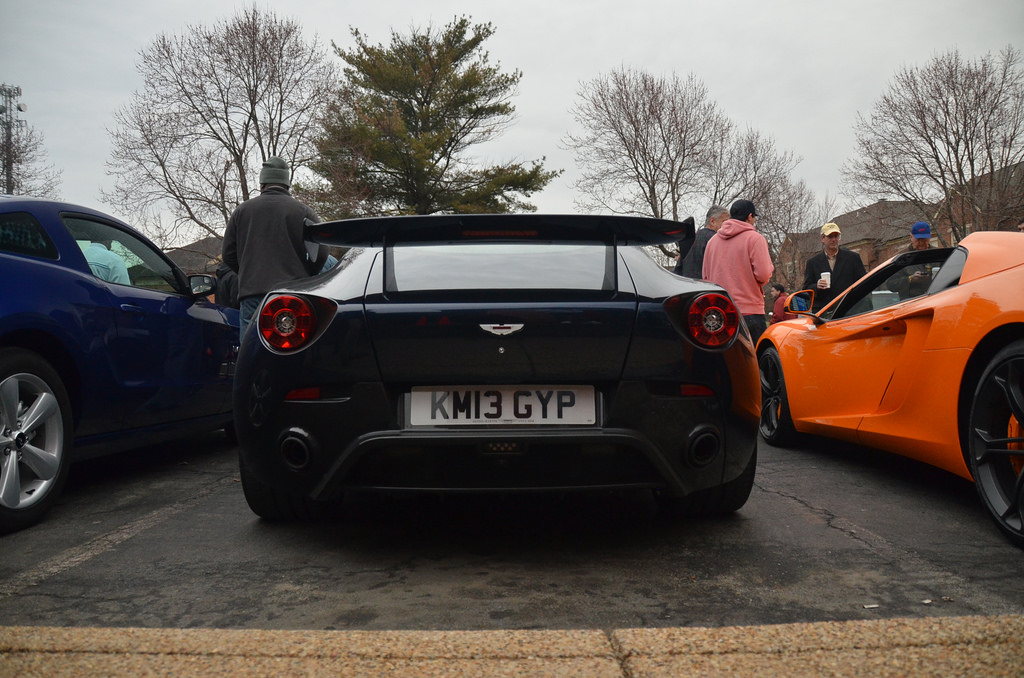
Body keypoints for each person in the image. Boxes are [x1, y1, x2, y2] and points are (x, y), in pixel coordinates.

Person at [222, 156, 327, 339]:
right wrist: (306, 274)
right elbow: (322, 252)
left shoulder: (242, 211)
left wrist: (249, 271)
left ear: (262, 183)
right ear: (286, 184)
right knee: (291, 347)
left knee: (251, 348)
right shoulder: (303, 211)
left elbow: (228, 254)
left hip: (252, 294)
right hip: (292, 295)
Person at [702, 199, 774, 343]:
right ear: (750, 216)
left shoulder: (712, 242)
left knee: (724, 356)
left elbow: (705, 277)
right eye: (754, 217)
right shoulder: (755, 239)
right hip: (750, 311)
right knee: (755, 355)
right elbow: (763, 274)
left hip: (719, 312)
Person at [801, 222, 866, 313]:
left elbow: (863, 283)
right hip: (824, 312)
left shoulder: (852, 258)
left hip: (848, 310)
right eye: (830, 237)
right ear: (822, 238)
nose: (834, 240)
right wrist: (817, 286)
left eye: (836, 236)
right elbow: (806, 289)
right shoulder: (813, 262)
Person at [886, 221, 933, 300]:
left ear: (930, 236)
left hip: (935, 300)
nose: (921, 243)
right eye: (918, 240)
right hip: (911, 303)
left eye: (924, 240)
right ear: (911, 237)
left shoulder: (938, 254)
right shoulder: (901, 257)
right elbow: (891, 284)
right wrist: (910, 279)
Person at [679, 205, 728, 279]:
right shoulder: (716, 240)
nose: (728, 225)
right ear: (712, 221)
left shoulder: (691, 238)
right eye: (724, 222)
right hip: (706, 284)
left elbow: (678, 267)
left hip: (685, 283)